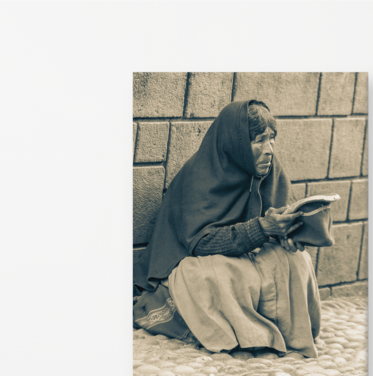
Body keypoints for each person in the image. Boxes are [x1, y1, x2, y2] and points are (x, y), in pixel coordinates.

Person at [133, 100, 322, 358]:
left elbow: (280, 216)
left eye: (272, 139)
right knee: (215, 274)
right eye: (258, 141)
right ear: (238, 145)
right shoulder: (199, 174)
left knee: (297, 260)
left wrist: (289, 236)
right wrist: (263, 227)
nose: (269, 150)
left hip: (249, 254)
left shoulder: (270, 168)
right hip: (193, 258)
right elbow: (201, 244)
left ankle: (286, 333)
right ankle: (249, 337)